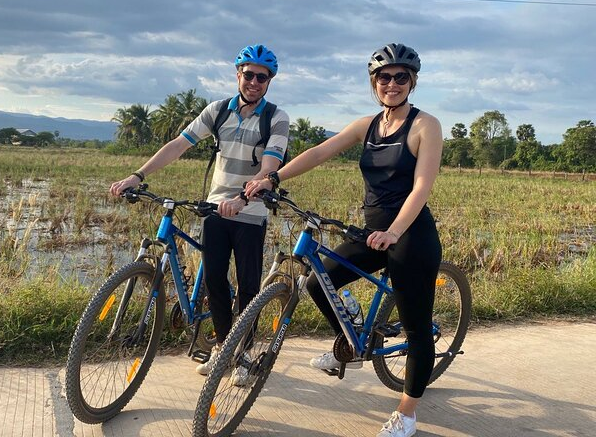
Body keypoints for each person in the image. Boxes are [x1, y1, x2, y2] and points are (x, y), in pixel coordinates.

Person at [245, 43, 442, 437]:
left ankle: (406, 414)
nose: (392, 84)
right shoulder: (366, 126)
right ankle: (349, 343)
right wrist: (273, 178)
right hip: (372, 232)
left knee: (416, 327)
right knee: (319, 280)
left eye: (401, 77)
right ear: (374, 82)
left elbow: (421, 187)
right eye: (384, 77)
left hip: (411, 234)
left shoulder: (425, 126)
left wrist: (394, 232)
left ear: (412, 82)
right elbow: (320, 152)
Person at [110, 44, 290, 377]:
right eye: (248, 74)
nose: (254, 81)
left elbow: (269, 166)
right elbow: (178, 145)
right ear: (238, 75)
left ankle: (245, 352)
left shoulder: (275, 118)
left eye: (261, 77)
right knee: (217, 282)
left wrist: (243, 198)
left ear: (269, 82)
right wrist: (138, 175)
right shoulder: (218, 111)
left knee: (248, 286)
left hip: (250, 213)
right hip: (215, 210)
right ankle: (223, 347)